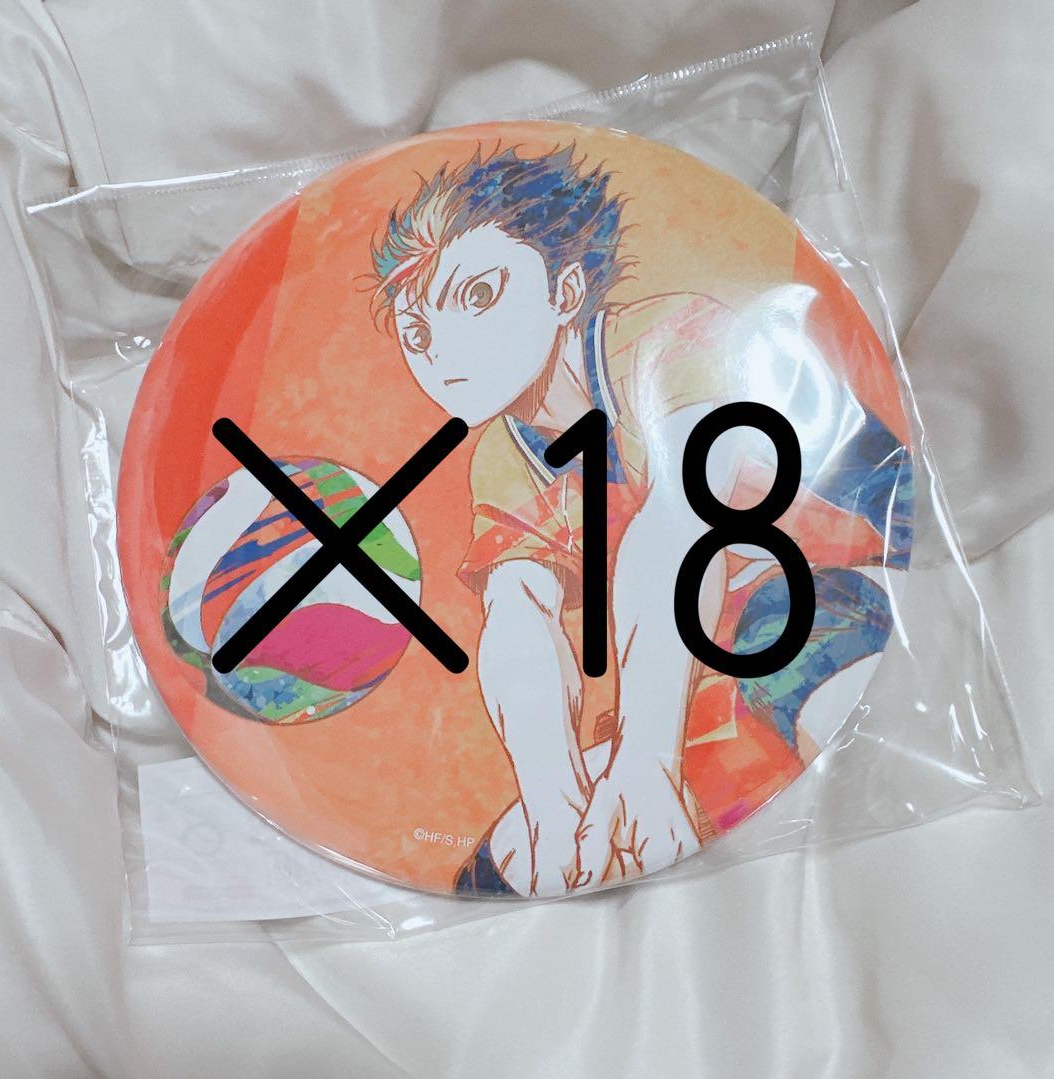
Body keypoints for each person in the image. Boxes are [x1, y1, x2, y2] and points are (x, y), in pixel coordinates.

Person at [370, 144, 911, 896]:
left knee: (783, 678)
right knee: (509, 861)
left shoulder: (666, 336)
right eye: (418, 332)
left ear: (564, 291)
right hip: (714, 658)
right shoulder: (503, 453)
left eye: (480, 294)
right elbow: (518, 614)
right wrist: (553, 798)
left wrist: (647, 758)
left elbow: (682, 525)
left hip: (851, 588)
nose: (445, 351)